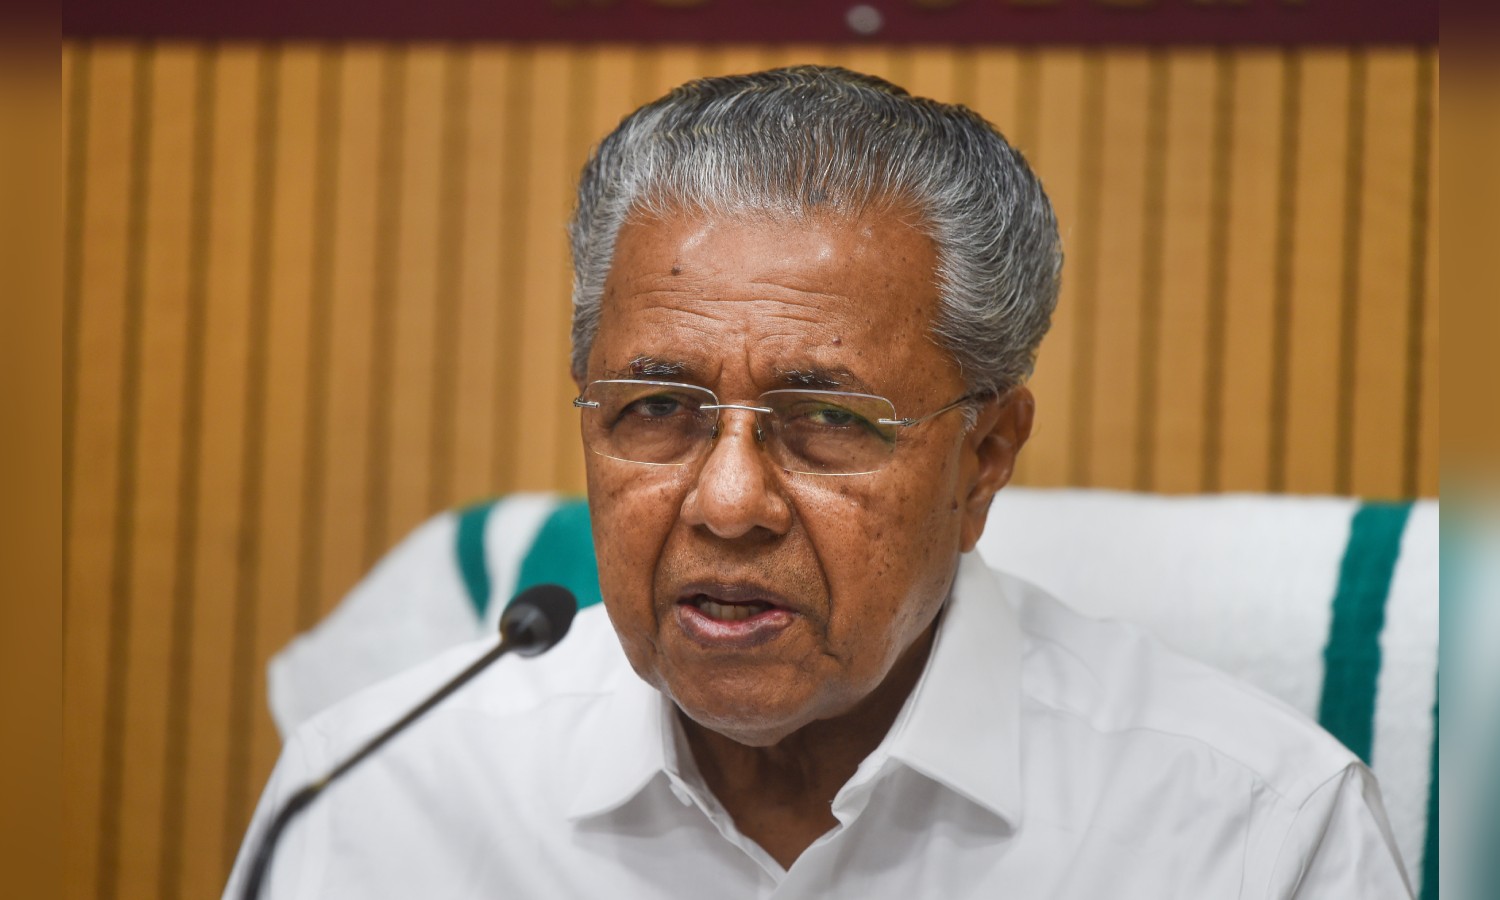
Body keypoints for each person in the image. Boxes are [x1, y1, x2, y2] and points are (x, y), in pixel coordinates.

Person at [226, 66, 1412, 898]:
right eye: (657, 410)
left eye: (828, 421)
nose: (728, 503)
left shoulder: (1252, 833)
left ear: (985, 457)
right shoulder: (383, 797)